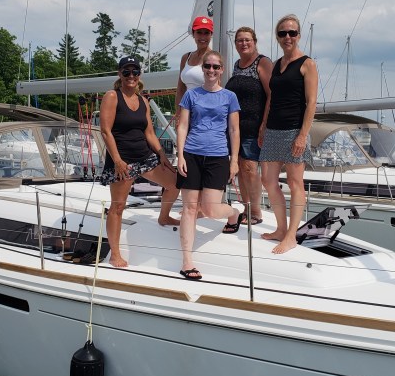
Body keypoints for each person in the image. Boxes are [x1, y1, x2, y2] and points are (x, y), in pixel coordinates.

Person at [100, 56, 180, 268]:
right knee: (118, 207)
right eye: (126, 72)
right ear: (120, 74)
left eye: (135, 72)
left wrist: (162, 154)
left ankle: (164, 217)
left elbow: (149, 132)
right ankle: (115, 254)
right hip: (122, 161)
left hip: (145, 157)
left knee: (175, 183)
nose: (131, 76)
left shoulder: (142, 100)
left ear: (139, 75)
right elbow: (105, 131)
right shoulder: (112, 96)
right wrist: (116, 160)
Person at [176, 51, 242, 280]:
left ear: (222, 70)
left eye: (216, 67)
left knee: (211, 210)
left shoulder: (230, 97)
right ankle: (187, 261)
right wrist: (180, 155)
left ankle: (234, 213)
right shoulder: (191, 95)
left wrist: (234, 160)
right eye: (207, 66)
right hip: (192, 154)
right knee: (190, 208)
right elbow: (183, 126)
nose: (211, 70)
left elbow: (234, 130)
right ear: (202, 69)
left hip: (217, 156)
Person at [259, 14, 318, 254]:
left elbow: (312, 102)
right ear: (277, 37)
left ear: (298, 35)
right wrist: (263, 124)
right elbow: (272, 97)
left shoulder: (307, 64)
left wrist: (303, 135)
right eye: (283, 33)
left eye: (292, 33)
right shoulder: (276, 65)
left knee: (295, 183)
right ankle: (281, 228)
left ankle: (292, 235)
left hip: (295, 130)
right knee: (268, 181)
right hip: (273, 129)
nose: (287, 37)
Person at [226, 26, 273, 225]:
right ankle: (246, 209)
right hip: (237, 127)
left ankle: (256, 212)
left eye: (247, 40)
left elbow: (272, 94)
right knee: (242, 170)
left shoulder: (262, 62)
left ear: (254, 41)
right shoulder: (237, 65)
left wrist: (264, 123)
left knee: (251, 170)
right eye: (239, 40)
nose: (243, 43)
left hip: (254, 125)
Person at [174, 16, 214, 125]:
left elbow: (216, 89)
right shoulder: (186, 57)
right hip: (186, 111)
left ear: (211, 34)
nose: (203, 36)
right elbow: (181, 89)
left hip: (205, 114)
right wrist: (178, 113)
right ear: (193, 34)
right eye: (199, 32)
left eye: (206, 33)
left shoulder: (214, 58)